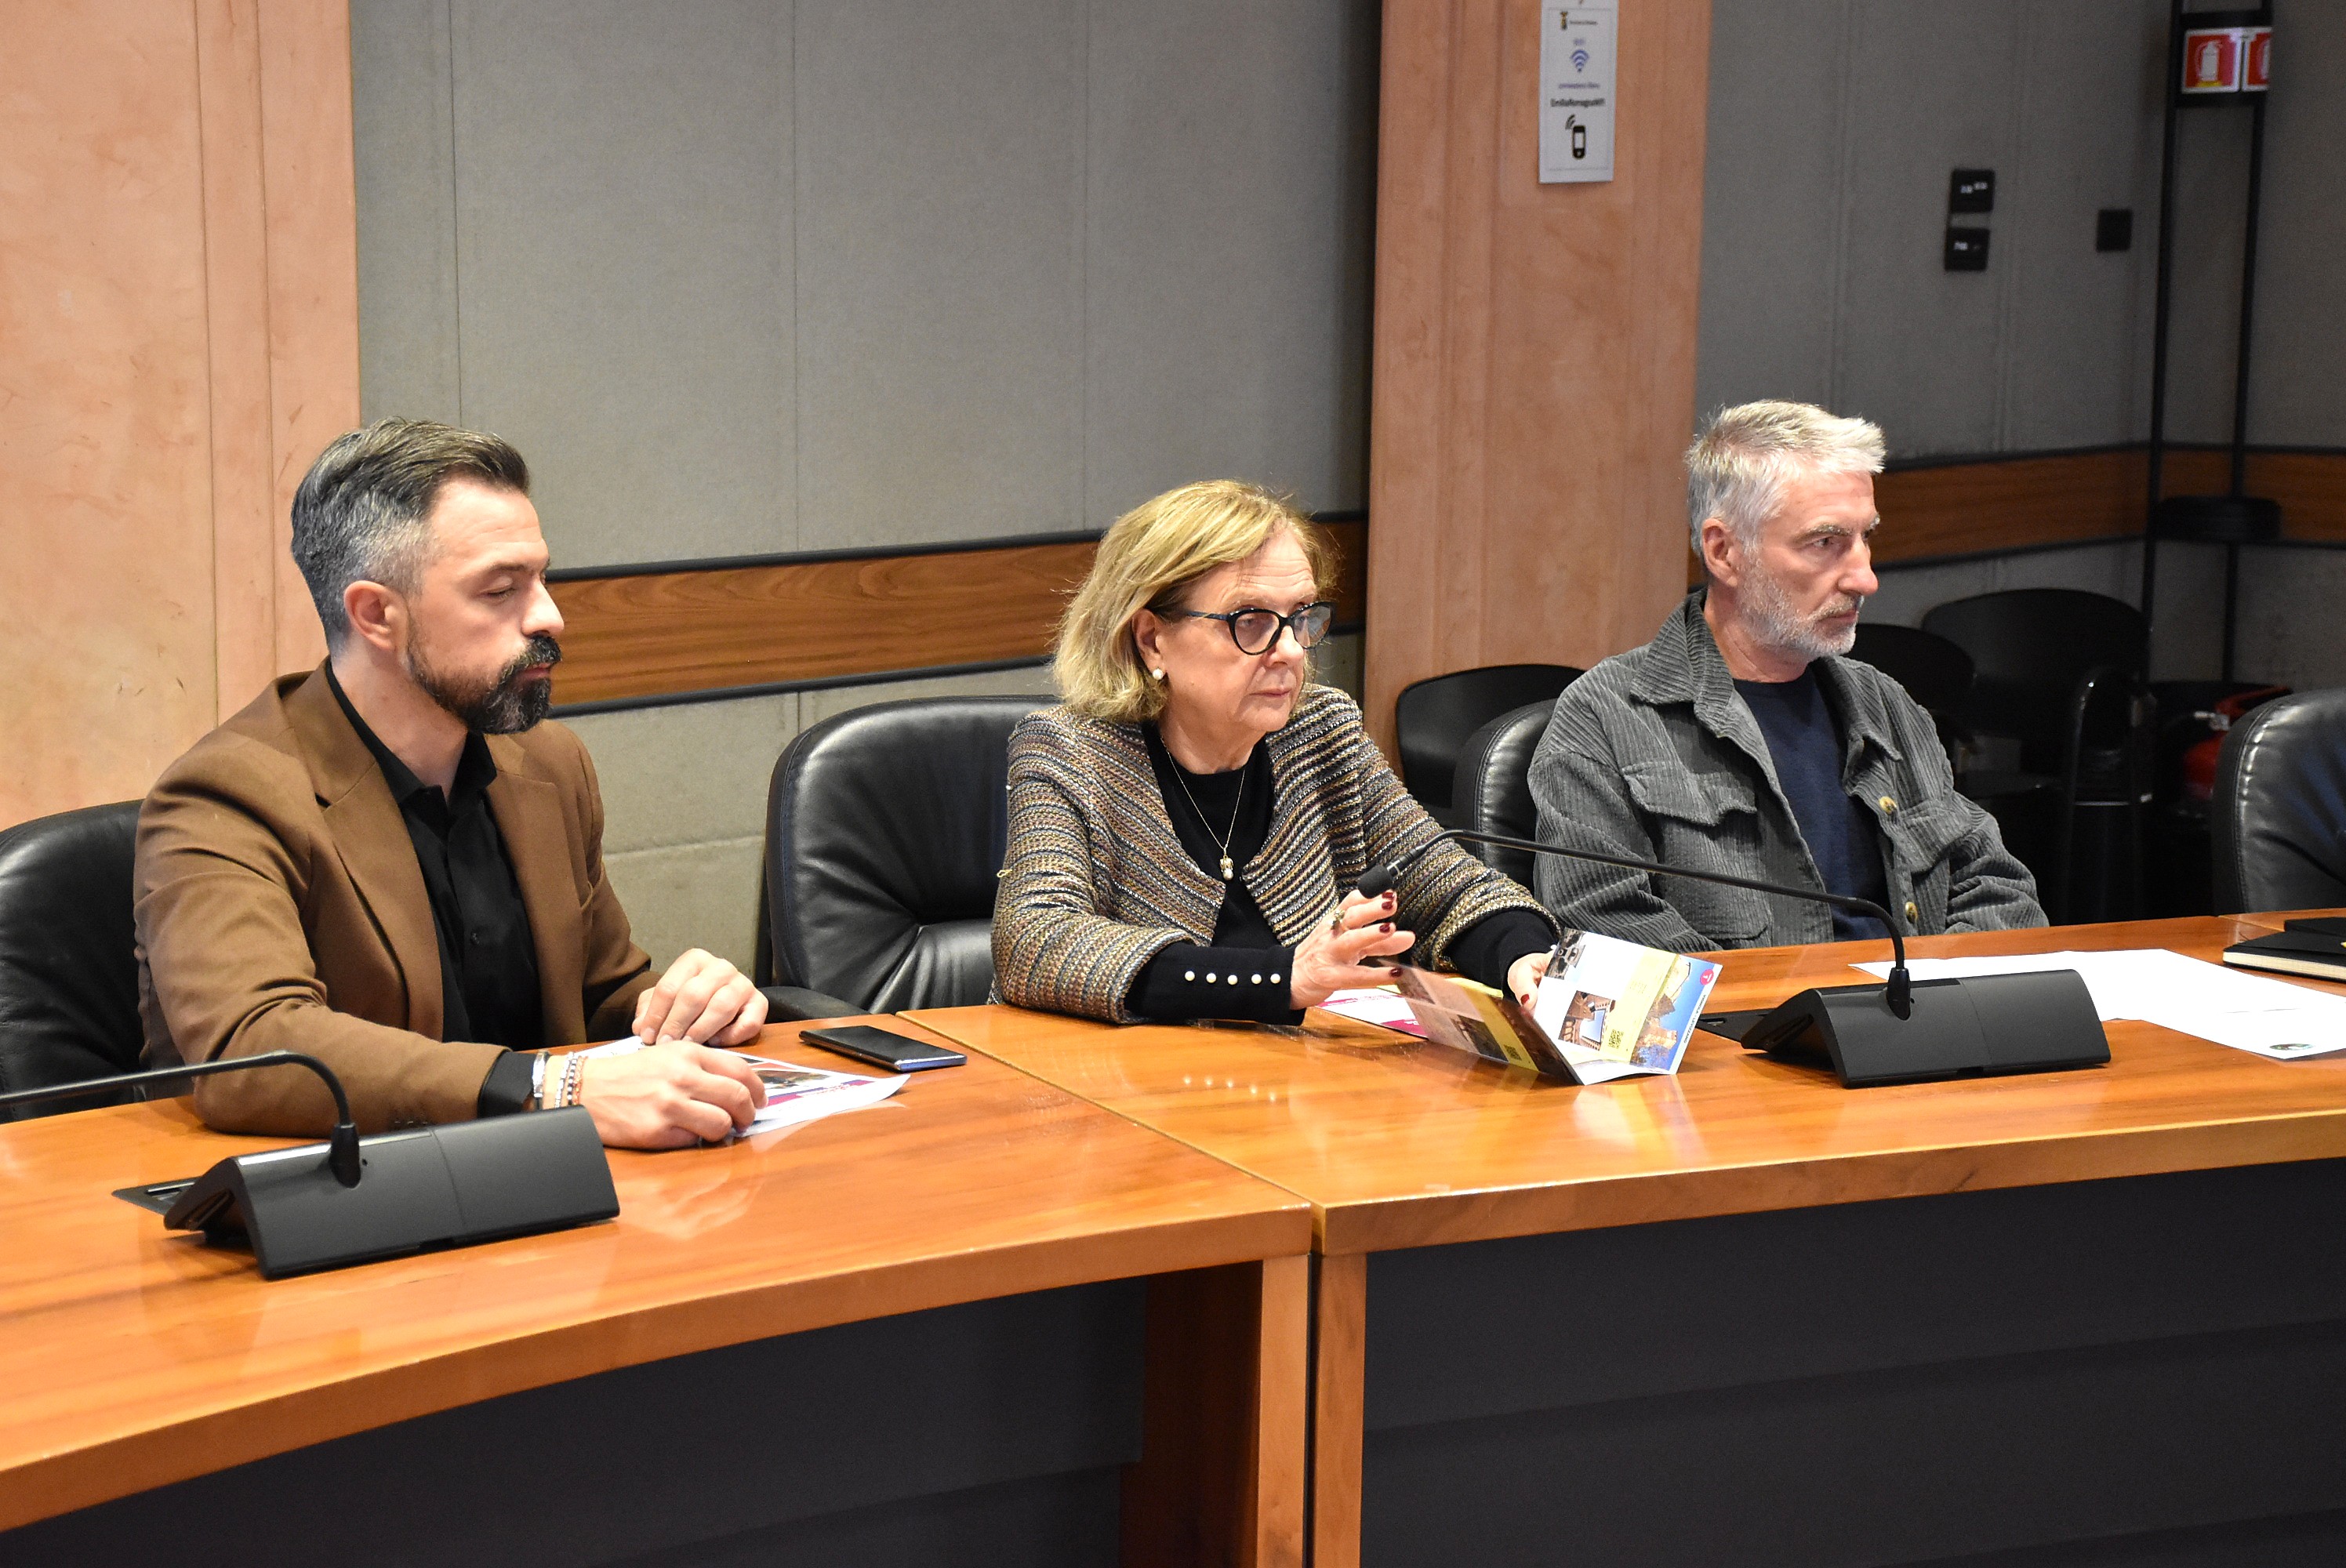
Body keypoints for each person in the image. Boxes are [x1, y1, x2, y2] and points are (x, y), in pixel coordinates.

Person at [135, 419, 769, 1145]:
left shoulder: (549, 764)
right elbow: (254, 1051)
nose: (551, 616)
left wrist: (689, 1007)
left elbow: (599, 997)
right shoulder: (224, 796)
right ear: (377, 615)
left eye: (542, 577)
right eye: (501, 590)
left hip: (552, 1182)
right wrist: (548, 1089)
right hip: (347, 1195)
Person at [994, 480, 1557, 1024]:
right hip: (1112, 1080)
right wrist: (1281, 978)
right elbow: (1036, 941)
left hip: (1294, 1080)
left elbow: (1450, 887)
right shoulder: (1071, 752)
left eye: (1301, 617)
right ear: (1151, 640)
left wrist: (1522, 957)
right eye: (1251, 621)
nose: (1290, 650)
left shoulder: (1320, 734)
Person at [1527, 400, 2044, 951]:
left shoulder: (1884, 704)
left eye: (1866, 538)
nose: (1865, 579)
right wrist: (1801, 1002)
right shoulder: (1607, 716)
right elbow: (1606, 928)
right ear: (1724, 553)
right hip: (1749, 1008)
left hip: (1911, 1000)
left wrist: (1928, 985)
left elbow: (1999, 890)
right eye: (1825, 543)